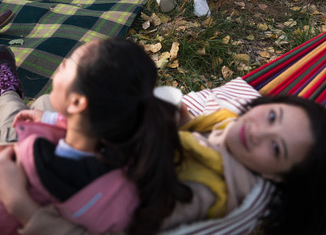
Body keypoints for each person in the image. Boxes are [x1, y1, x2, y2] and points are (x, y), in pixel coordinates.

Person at [0, 71, 326, 235]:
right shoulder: (226, 125)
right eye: (271, 115)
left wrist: (21, 204)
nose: (260, 131)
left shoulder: (206, 191)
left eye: (276, 147)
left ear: (276, 175)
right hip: (73, 163)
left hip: (49, 200)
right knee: (45, 107)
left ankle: (6, 86)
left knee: (19, 121)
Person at [0, 41, 190, 235]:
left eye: (67, 64)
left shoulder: (41, 166)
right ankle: (7, 92)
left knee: (27, 109)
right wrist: (50, 118)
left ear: (76, 102)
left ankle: (6, 92)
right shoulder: (125, 144)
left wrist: (16, 201)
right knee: (44, 103)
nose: (62, 62)